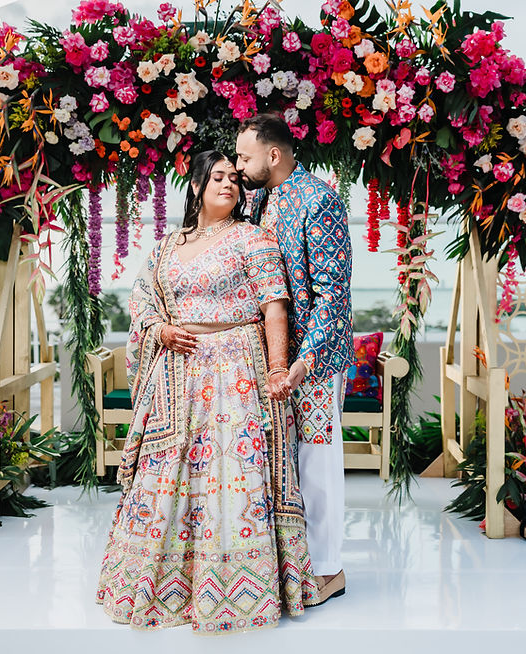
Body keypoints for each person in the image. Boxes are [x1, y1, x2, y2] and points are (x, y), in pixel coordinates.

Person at [96, 150, 317, 633]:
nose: (229, 185)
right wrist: (159, 330)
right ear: (196, 185)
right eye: (218, 177)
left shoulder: (252, 238)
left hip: (236, 370)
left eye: (236, 179)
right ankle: (166, 586)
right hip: (177, 373)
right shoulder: (168, 244)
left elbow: (274, 307)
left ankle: (243, 588)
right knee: (169, 476)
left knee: (232, 474)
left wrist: (278, 369)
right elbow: (142, 299)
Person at [236, 114, 355, 606]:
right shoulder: (262, 200)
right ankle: (291, 567)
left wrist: (306, 362)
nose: (240, 166)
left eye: (245, 157)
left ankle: (329, 570)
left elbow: (332, 294)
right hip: (274, 360)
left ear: (274, 155)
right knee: (281, 462)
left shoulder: (319, 199)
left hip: (316, 364)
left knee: (316, 459)